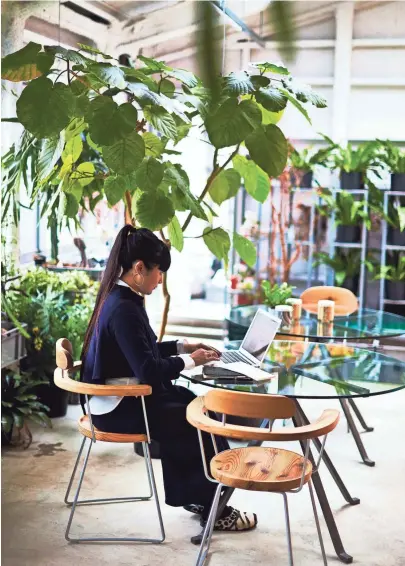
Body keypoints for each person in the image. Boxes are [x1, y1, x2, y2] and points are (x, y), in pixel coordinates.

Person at [81, 224, 257, 532]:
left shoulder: (121, 298)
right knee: (194, 419)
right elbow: (147, 369)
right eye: (158, 271)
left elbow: (138, 352)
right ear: (139, 268)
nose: (159, 278)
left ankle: (201, 498)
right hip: (117, 409)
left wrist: (182, 346)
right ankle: (215, 507)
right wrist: (191, 360)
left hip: (119, 398)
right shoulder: (123, 309)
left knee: (190, 404)